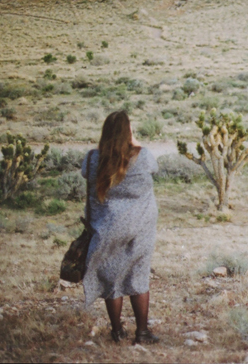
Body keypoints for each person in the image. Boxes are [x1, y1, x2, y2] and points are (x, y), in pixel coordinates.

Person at [81, 110, 160, 344]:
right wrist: (135, 143)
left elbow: (86, 173)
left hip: (107, 226)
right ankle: (142, 332)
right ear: (129, 132)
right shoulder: (142, 156)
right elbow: (153, 167)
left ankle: (116, 331)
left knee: (111, 276)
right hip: (140, 226)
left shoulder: (93, 158)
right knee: (139, 275)